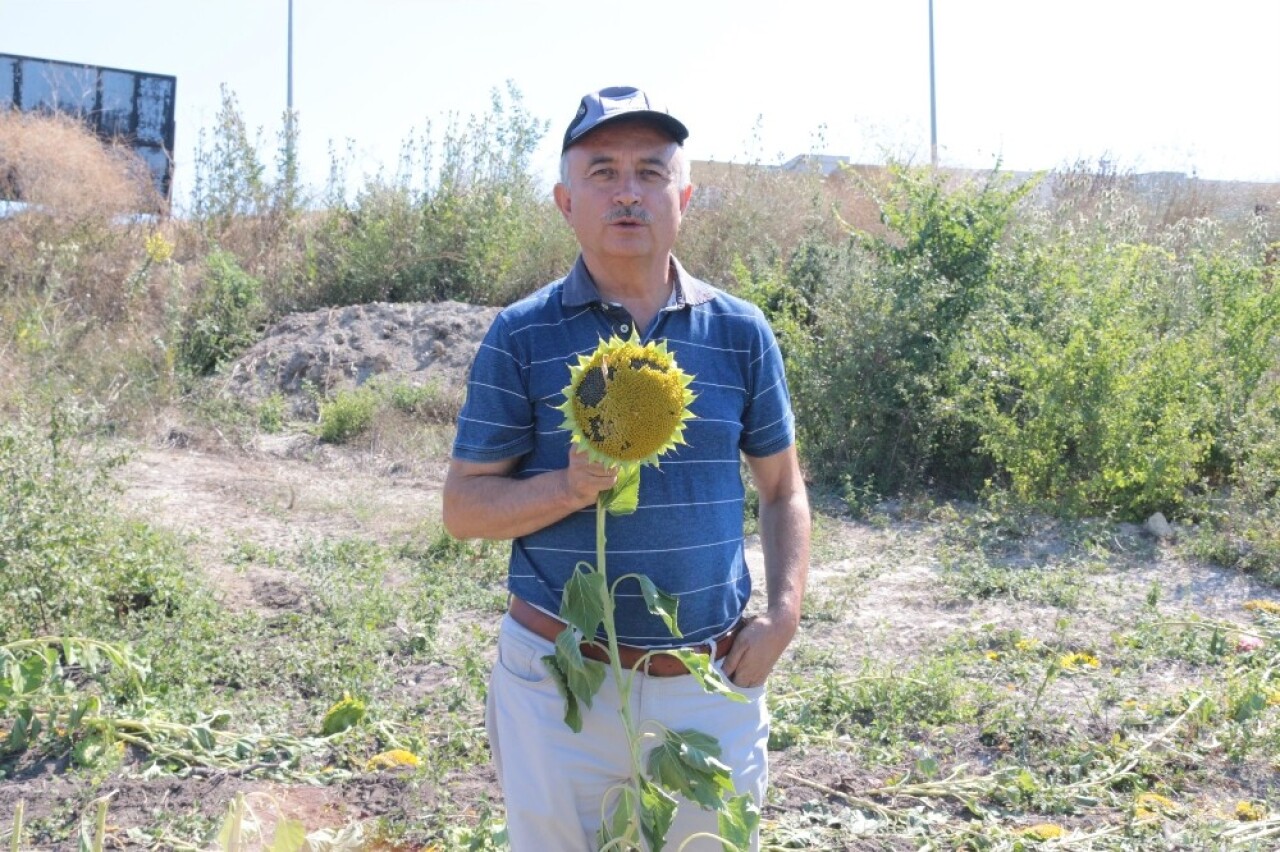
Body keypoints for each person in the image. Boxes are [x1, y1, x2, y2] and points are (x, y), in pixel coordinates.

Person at [442, 85, 811, 851]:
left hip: (708, 684)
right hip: (558, 683)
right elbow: (464, 510)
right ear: (563, 200)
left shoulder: (739, 332)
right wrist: (570, 487)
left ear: (685, 194)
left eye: (650, 170)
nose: (627, 192)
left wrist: (783, 614)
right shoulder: (521, 334)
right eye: (602, 171)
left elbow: (783, 490)